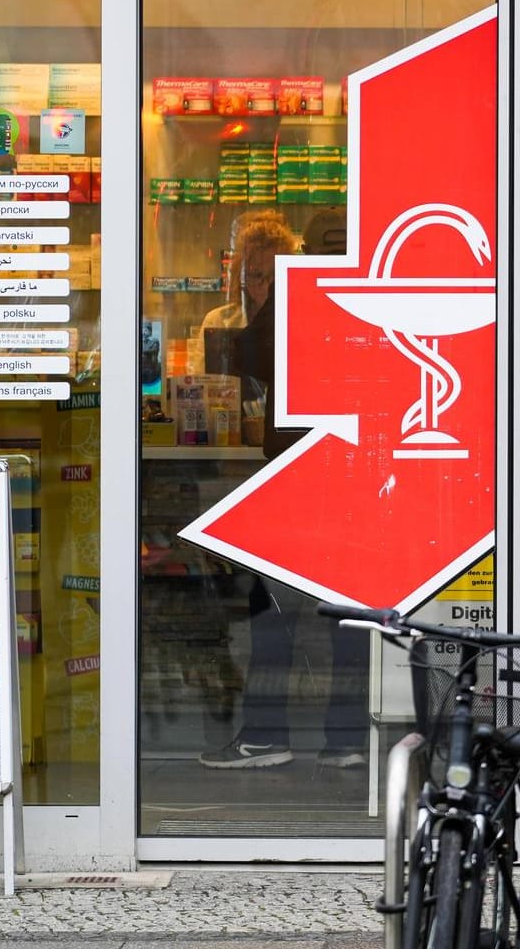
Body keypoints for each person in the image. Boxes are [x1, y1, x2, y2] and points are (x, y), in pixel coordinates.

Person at [200, 213, 371, 770]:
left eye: (278, 276)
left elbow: (255, 359)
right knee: (299, 612)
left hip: (311, 478)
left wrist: (287, 294)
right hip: (300, 473)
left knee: (283, 613)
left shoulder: (306, 310)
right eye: (256, 278)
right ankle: (330, 738)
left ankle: (280, 736)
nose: (267, 288)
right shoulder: (295, 312)